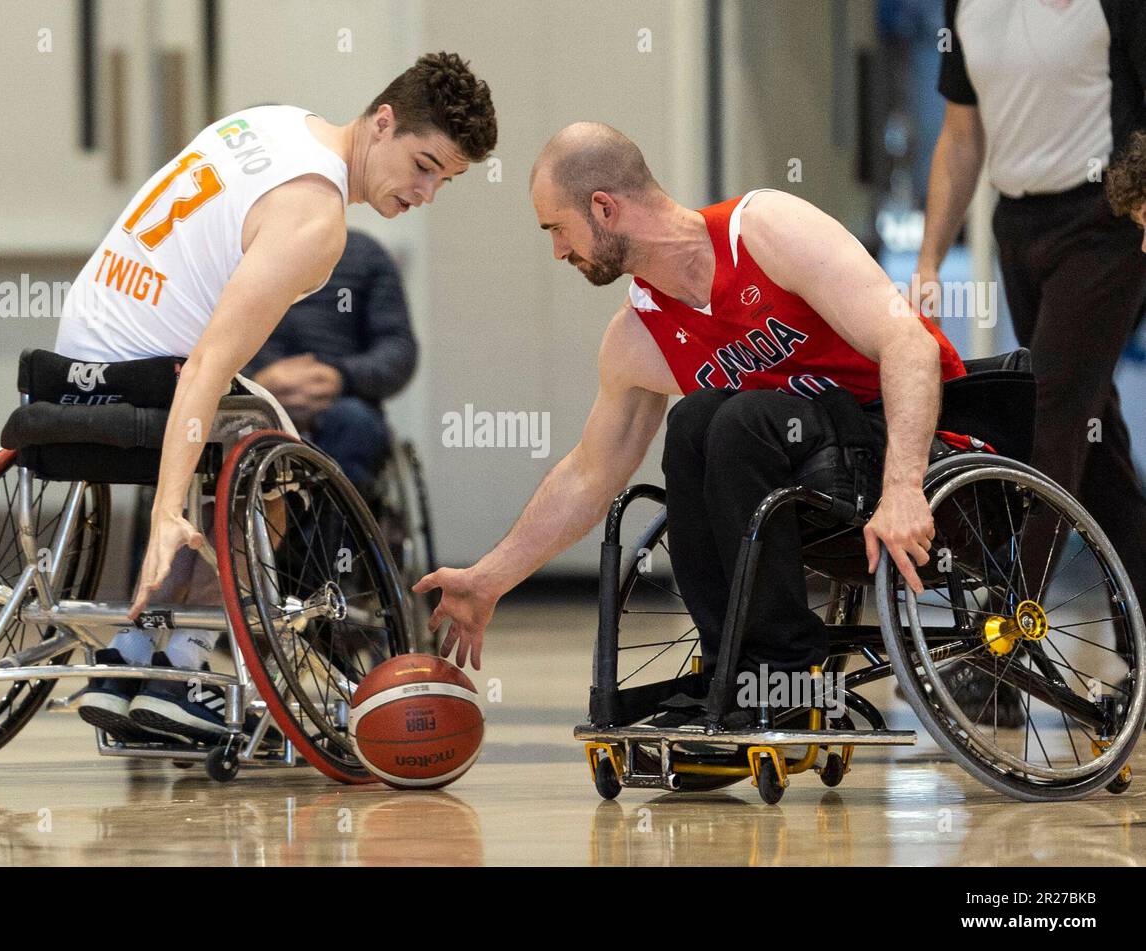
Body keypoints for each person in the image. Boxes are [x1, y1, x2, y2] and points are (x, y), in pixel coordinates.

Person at [416, 123, 965, 720]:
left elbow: (910, 346)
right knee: (695, 421)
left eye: (556, 228)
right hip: (800, 479)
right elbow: (589, 476)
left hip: (907, 444)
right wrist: (490, 578)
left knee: (740, 421)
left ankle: (788, 673)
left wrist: (905, 486)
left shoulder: (765, 230)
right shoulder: (637, 336)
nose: (557, 251)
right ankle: (734, 671)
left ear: (603, 208)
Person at [52, 52, 497, 744]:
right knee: (275, 466)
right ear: (382, 123)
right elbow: (206, 363)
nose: (427, 193)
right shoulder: (317, 224)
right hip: (148, 371)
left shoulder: (274, 122)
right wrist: (168, 509)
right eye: (424, 165)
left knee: (259, 424)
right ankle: (187, 664)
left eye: (447, 179)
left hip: (75, 351)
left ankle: (129, 658)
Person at [916, 0, 1146, 724]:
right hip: (1017, 227)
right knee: (1092, 445)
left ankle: (1003, 653)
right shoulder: (967, 6)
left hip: (1105, 221)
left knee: (1046, 419)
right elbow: (961, 137)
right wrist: (929, 258)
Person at [244, 229, 417, 493]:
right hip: (252, 401)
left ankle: (333, 531)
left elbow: (398, 349)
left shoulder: (366, 255)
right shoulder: (238, 251)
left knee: (354, 421)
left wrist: (340, 376)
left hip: (341, 402)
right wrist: (257, 383)